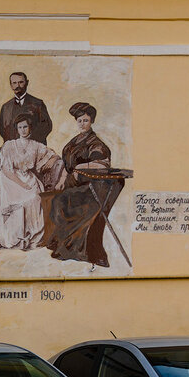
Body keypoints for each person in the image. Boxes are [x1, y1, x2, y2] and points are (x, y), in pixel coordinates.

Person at [40, 101, 126, 266]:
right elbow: (67, 166)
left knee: (61, 201)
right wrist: (61, 180)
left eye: (85, 120)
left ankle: (76, 248)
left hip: (90, 187)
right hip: (74, 183)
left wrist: (81, 166)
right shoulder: (74, 142)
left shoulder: (95, 143)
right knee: (52, 198)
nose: (82, 124)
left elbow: (103, 164)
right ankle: (62, 243)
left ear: (91, 121)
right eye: (79, 121)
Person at [0, 113, 65, 250]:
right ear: (17, 129)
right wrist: (21, 184)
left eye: (25, 127)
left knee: (35, 197)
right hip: (10, 179)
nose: (23, 130)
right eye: (20, 127)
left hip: (29, 177)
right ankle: (13, 237)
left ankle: (29, 235)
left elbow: (53, 155)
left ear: (30, 128)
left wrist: (52, 160)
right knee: (16, 201)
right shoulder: (10, 145)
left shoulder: (36, 146)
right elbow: (6, 170)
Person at [0, 71, 52, 144]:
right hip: (13, 151)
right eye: (14, 83)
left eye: (21, 82)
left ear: (27, 83)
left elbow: (47, 126)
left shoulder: (38, 104)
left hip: (34, 150)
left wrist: (30, 143)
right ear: (11, 85)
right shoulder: (6, 107)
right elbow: (2, 131)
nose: (18, 86)